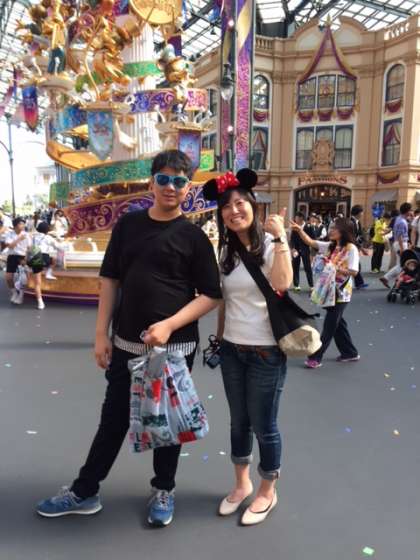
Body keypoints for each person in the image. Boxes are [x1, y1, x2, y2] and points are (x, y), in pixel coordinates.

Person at [36, 150, 222, 525]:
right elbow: (110, 280)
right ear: (151, 182)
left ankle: (164, 488)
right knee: (114, 419)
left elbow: (211, 295)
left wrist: (170, 325)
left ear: (188, 188)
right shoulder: (127, 226)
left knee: (168, 422)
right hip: (125, 344)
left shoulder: (194, 237)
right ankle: (85, 490)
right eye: (164, 179)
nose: (171, 187)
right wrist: (100, 334)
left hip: (174, 348)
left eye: (179, 181)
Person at [202, 169, 292, 526]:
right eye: (226, 206)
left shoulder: (270, 245)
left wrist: (281, 237)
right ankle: (242, 485)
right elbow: (225, 301)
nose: (234, 210)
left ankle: (268, 491)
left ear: (253, 206)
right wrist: (220, 339)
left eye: (240, 203)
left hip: (265, 352)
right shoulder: (226, 250)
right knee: (238, 423)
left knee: (264, 425)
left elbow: (283, 284)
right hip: (232, 350)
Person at [290, 217, 360, 369]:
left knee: (329, 326)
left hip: (341, 293)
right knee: (338, 324)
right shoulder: (331, 246)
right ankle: (350, 353)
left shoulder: (351, 249)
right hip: (329, 290)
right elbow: (311, 242)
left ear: (343, 231)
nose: (331, 230)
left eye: (335, 228)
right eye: (331, 227)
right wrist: (300, 230)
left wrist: (334, 266)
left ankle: (316, 357)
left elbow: (354, 271)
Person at [30, 221, 63, 310]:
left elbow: (30, 248)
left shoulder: (33, 237)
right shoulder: (48, 238)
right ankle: (49, 273)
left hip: (35, 257)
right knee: (54, 260)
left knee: (37, 283)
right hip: (45, 257)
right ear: (47, 230)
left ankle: (40, 303)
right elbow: (59, 247)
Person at [380, 203, 413, 288]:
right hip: (401, 243)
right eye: (410, 210)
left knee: (401, 264)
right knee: (403, 264)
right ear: (407, 211)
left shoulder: (398, 218)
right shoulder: (402, 221)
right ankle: (397, 281)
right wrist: (402, 248)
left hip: (397, 243)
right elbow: (400, 235)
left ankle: (387, 278)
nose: (411, 212)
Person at [3, 217, 32, 305]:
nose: (23, 225)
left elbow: (29, 248)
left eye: (23, 224)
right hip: (12, 256)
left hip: (22, 257)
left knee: (23, 279)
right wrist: (19, 239)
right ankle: (14, 292)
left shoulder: (26, 235)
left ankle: (21, 296)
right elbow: (10, 246)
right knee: (8, 278)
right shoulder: (9, 234)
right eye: (21, 224)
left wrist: (26, 258)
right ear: (15, 225)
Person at [289, 211, 314, 292]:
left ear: (301, 218)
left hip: (305, 250)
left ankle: (311, 285)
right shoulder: (295, 227)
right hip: (296, 250)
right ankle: (296, 285)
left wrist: (312, 252)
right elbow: (292, 239)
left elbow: (313, 239)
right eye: (295, 218)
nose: (295, 220)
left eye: (296, 218)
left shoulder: (309, 227)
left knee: (307, 268)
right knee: (295, 267)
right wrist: (292, 248)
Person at [350, 205, 368, 289]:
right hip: (350, 246)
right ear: (358, 213)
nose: (362, 214)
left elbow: (359, 234)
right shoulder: (351, 222)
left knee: (355, 264)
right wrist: (362, 248)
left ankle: (359, 283)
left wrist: (364, 241)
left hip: (355, 246)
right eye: (362, 212)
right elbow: (352, 238)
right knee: (355, 264)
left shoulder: (358, 222)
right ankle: (359, 283)